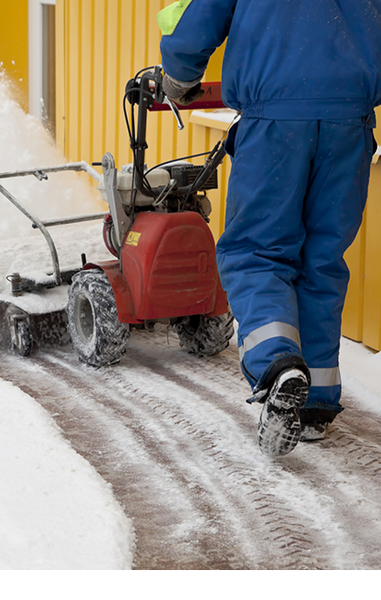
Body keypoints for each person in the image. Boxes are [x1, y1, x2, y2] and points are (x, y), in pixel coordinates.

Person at [157, 0, 381, 456]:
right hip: (349, 122)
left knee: (255, 252)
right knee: (321, 261)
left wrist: (179, 77)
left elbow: (198, 19)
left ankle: (277, 364)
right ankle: (316, 404)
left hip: (275, 117)